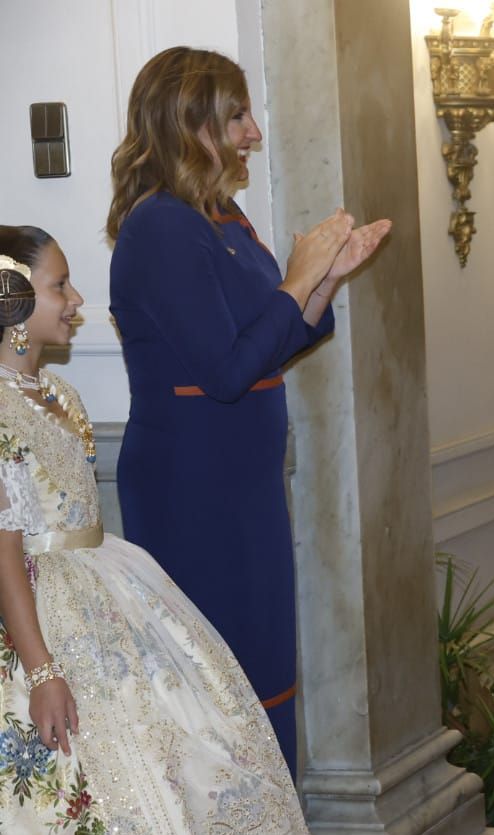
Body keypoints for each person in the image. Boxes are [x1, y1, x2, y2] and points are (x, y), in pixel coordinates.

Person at [0, 227, 341, 835]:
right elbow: (4, 551)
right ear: (11, 303)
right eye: (58, 288)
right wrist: (43, 668)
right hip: (40, 617)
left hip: (104, 589)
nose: (76, 301)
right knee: (80, 813)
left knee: (188, 768)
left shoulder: (57, 394)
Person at [107, 48, 390, 774]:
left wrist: (322, 283)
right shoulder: (160, 227)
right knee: (219, 692)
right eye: (237, 117)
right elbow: (228, 373)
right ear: (189, 124)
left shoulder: (221, 216)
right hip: (193, 497)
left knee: (263, 673)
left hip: (245, 490)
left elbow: (267, 344)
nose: (253, 133)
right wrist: (296, 280)